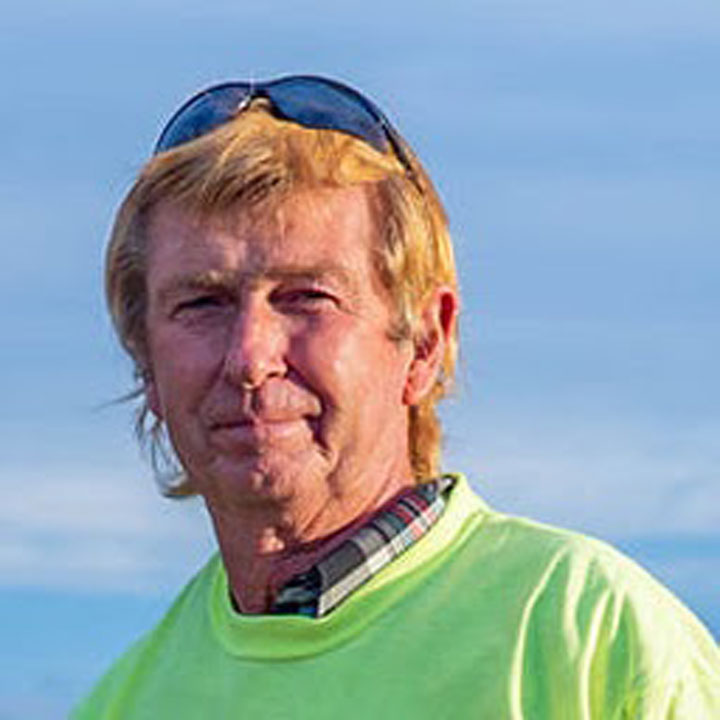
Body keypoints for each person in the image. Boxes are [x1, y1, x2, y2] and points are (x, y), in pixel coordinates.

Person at [73, 75, 720, 719]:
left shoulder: (590, 639)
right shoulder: (123, 703)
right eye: (202, 303)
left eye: (306, 297)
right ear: (146, 363)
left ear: (425, 342)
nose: (249, 357)